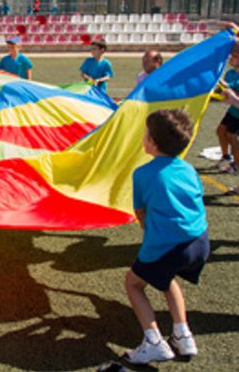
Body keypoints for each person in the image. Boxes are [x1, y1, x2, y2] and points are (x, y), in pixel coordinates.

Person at [123, 109, 209, 365]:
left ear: (152, 142)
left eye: (146, 134)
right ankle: (183, 335)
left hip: (168, 246)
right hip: (200, 243)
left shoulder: (143, 174)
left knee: (133, 283)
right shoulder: (188, 169)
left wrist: (148, 232)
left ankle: (153, 342)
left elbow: (141, 211)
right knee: (166, 277)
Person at [215, 48, 239, 174]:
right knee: (220, 130)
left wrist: (223, 84)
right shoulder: (230, 73)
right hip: (233, 110)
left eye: (235, 56)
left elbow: (230, 90)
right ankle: (226, 156)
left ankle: (236, 164)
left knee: (232, 137)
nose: (231, 58)